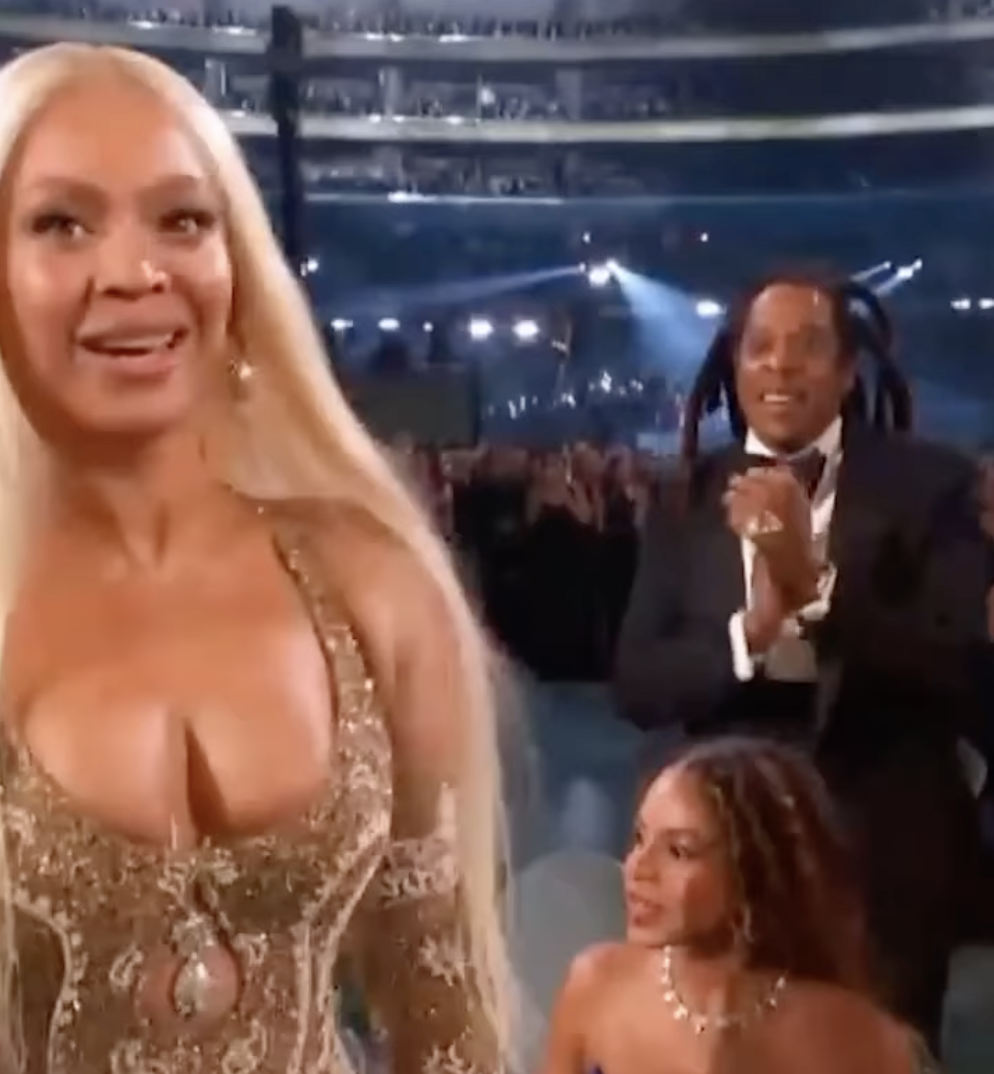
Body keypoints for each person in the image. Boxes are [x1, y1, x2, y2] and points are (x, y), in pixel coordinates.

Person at [0, 44, 513, 1074]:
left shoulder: (371, 585)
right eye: (62, 223)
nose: (135, 272)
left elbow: (443, 1013)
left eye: (183, 220)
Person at [613, 270, 990, 1049]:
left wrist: (815, 591)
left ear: (848, 372)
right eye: (760, 346)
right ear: (735, 365)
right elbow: (639, 681)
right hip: (727, 854)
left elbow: (956, 660)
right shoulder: (685, 496)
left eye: (808, 346)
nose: (780, 364)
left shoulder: (930, 485)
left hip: (883, 850)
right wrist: (750, 635)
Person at [539, 737, 940, 1074]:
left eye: (679, 851)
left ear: (751, 871)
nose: (637, 869)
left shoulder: (859, 1038)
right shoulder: (595, 985)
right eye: (640, 838)